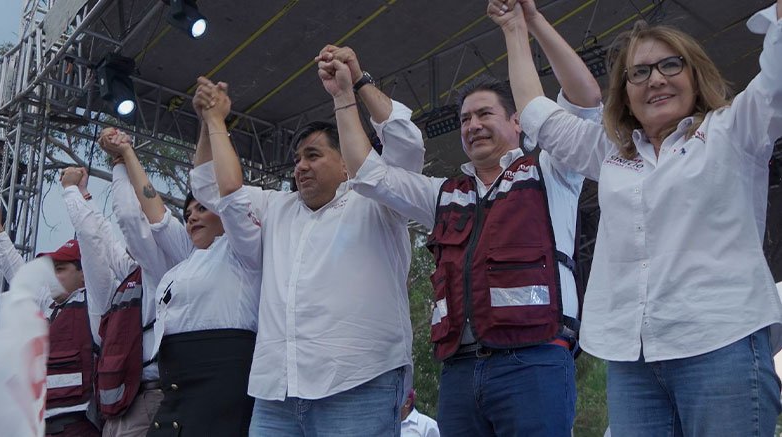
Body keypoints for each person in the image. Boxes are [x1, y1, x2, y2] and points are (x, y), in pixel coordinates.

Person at [494, 0, 782, 434]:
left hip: (722, 344)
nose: (656, 79)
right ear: (625, 92)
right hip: (633, 361)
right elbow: (538, 113)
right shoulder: (610, 152)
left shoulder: (734, 129)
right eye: (640, 72)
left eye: (670, 65)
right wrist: (520, 25)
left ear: (695, 74)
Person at [316, 14, 601, 434]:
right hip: (460, 372)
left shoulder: (552, 171)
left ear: (518, 121)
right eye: (465, 119)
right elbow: (368, 174)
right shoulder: (444, 194)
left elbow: (584, 100)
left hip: (534, 361)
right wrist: (345, 94)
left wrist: (520, 26)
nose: (473, 126)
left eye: (484, 114)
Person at [190, 45, 424, 436]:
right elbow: (209, 186)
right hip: (277, 391)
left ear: (346, 162)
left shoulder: (378, 201)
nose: (300, 166)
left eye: (313, 155)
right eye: (297, 159)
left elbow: (406, 144)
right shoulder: (276, 207)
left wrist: (356, 84)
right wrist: (207, 122)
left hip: (359, 383)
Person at [99, 125, 261, 436]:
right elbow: (153, 212)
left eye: (202, 208)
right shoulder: (185, 259)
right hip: (176, 382)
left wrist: (211, 123)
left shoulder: (242, 250)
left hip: (224, 378)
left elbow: (221, 187)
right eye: (187, 215)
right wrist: (127, 153)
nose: (192, 217)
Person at [60, 163, 168, 437]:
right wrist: (84, 195)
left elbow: (100, 234)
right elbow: (102, 240)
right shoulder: (133, 274)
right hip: (121, 406)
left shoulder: (159, 271)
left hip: (144, 401)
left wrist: (119, 162)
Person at [0, 203, 99, 436]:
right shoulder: (48, 305)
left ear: (84, 273)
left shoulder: (94, 303)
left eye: (60, 269)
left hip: (79, 424)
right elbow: (18, 273)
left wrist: (80, 199)